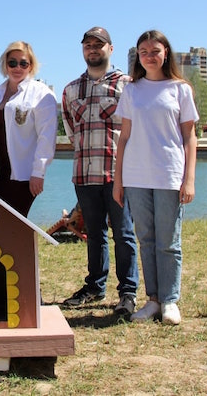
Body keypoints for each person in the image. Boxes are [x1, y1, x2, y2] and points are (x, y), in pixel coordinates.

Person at [113, 30, 198, 326]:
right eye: (143, 52)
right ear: (138, 56)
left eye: (155, 51)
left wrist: (189, 179)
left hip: (169, 174)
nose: (149, 56)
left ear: (166, 53)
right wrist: (118, 180)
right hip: (136, 176)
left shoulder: (180, 89)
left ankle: (170, 300)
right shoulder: (132, 90)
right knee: (146, 240)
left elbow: (190, 137)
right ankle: (153, 300)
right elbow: (124, 138)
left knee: (168, 242)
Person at [61, 26, 139, 316]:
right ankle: (95, 286)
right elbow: (71, 130)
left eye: (99, 44)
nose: (93, 49)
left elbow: (136, 130)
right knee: (94, 234)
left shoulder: (128, 86)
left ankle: (128, 292)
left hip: (119, 175)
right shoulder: (71, 90)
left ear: (111, 49)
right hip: (84, 174)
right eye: (88, 45)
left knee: (124, 233)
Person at [0, 41, 57, 216]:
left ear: (31, 66)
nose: (17, 68)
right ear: (5, 64)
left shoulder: (42, 94)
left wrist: (39, 172)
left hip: (22, 177)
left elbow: (46, 137)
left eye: (23, 63)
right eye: (12, 63)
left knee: (14, 224)